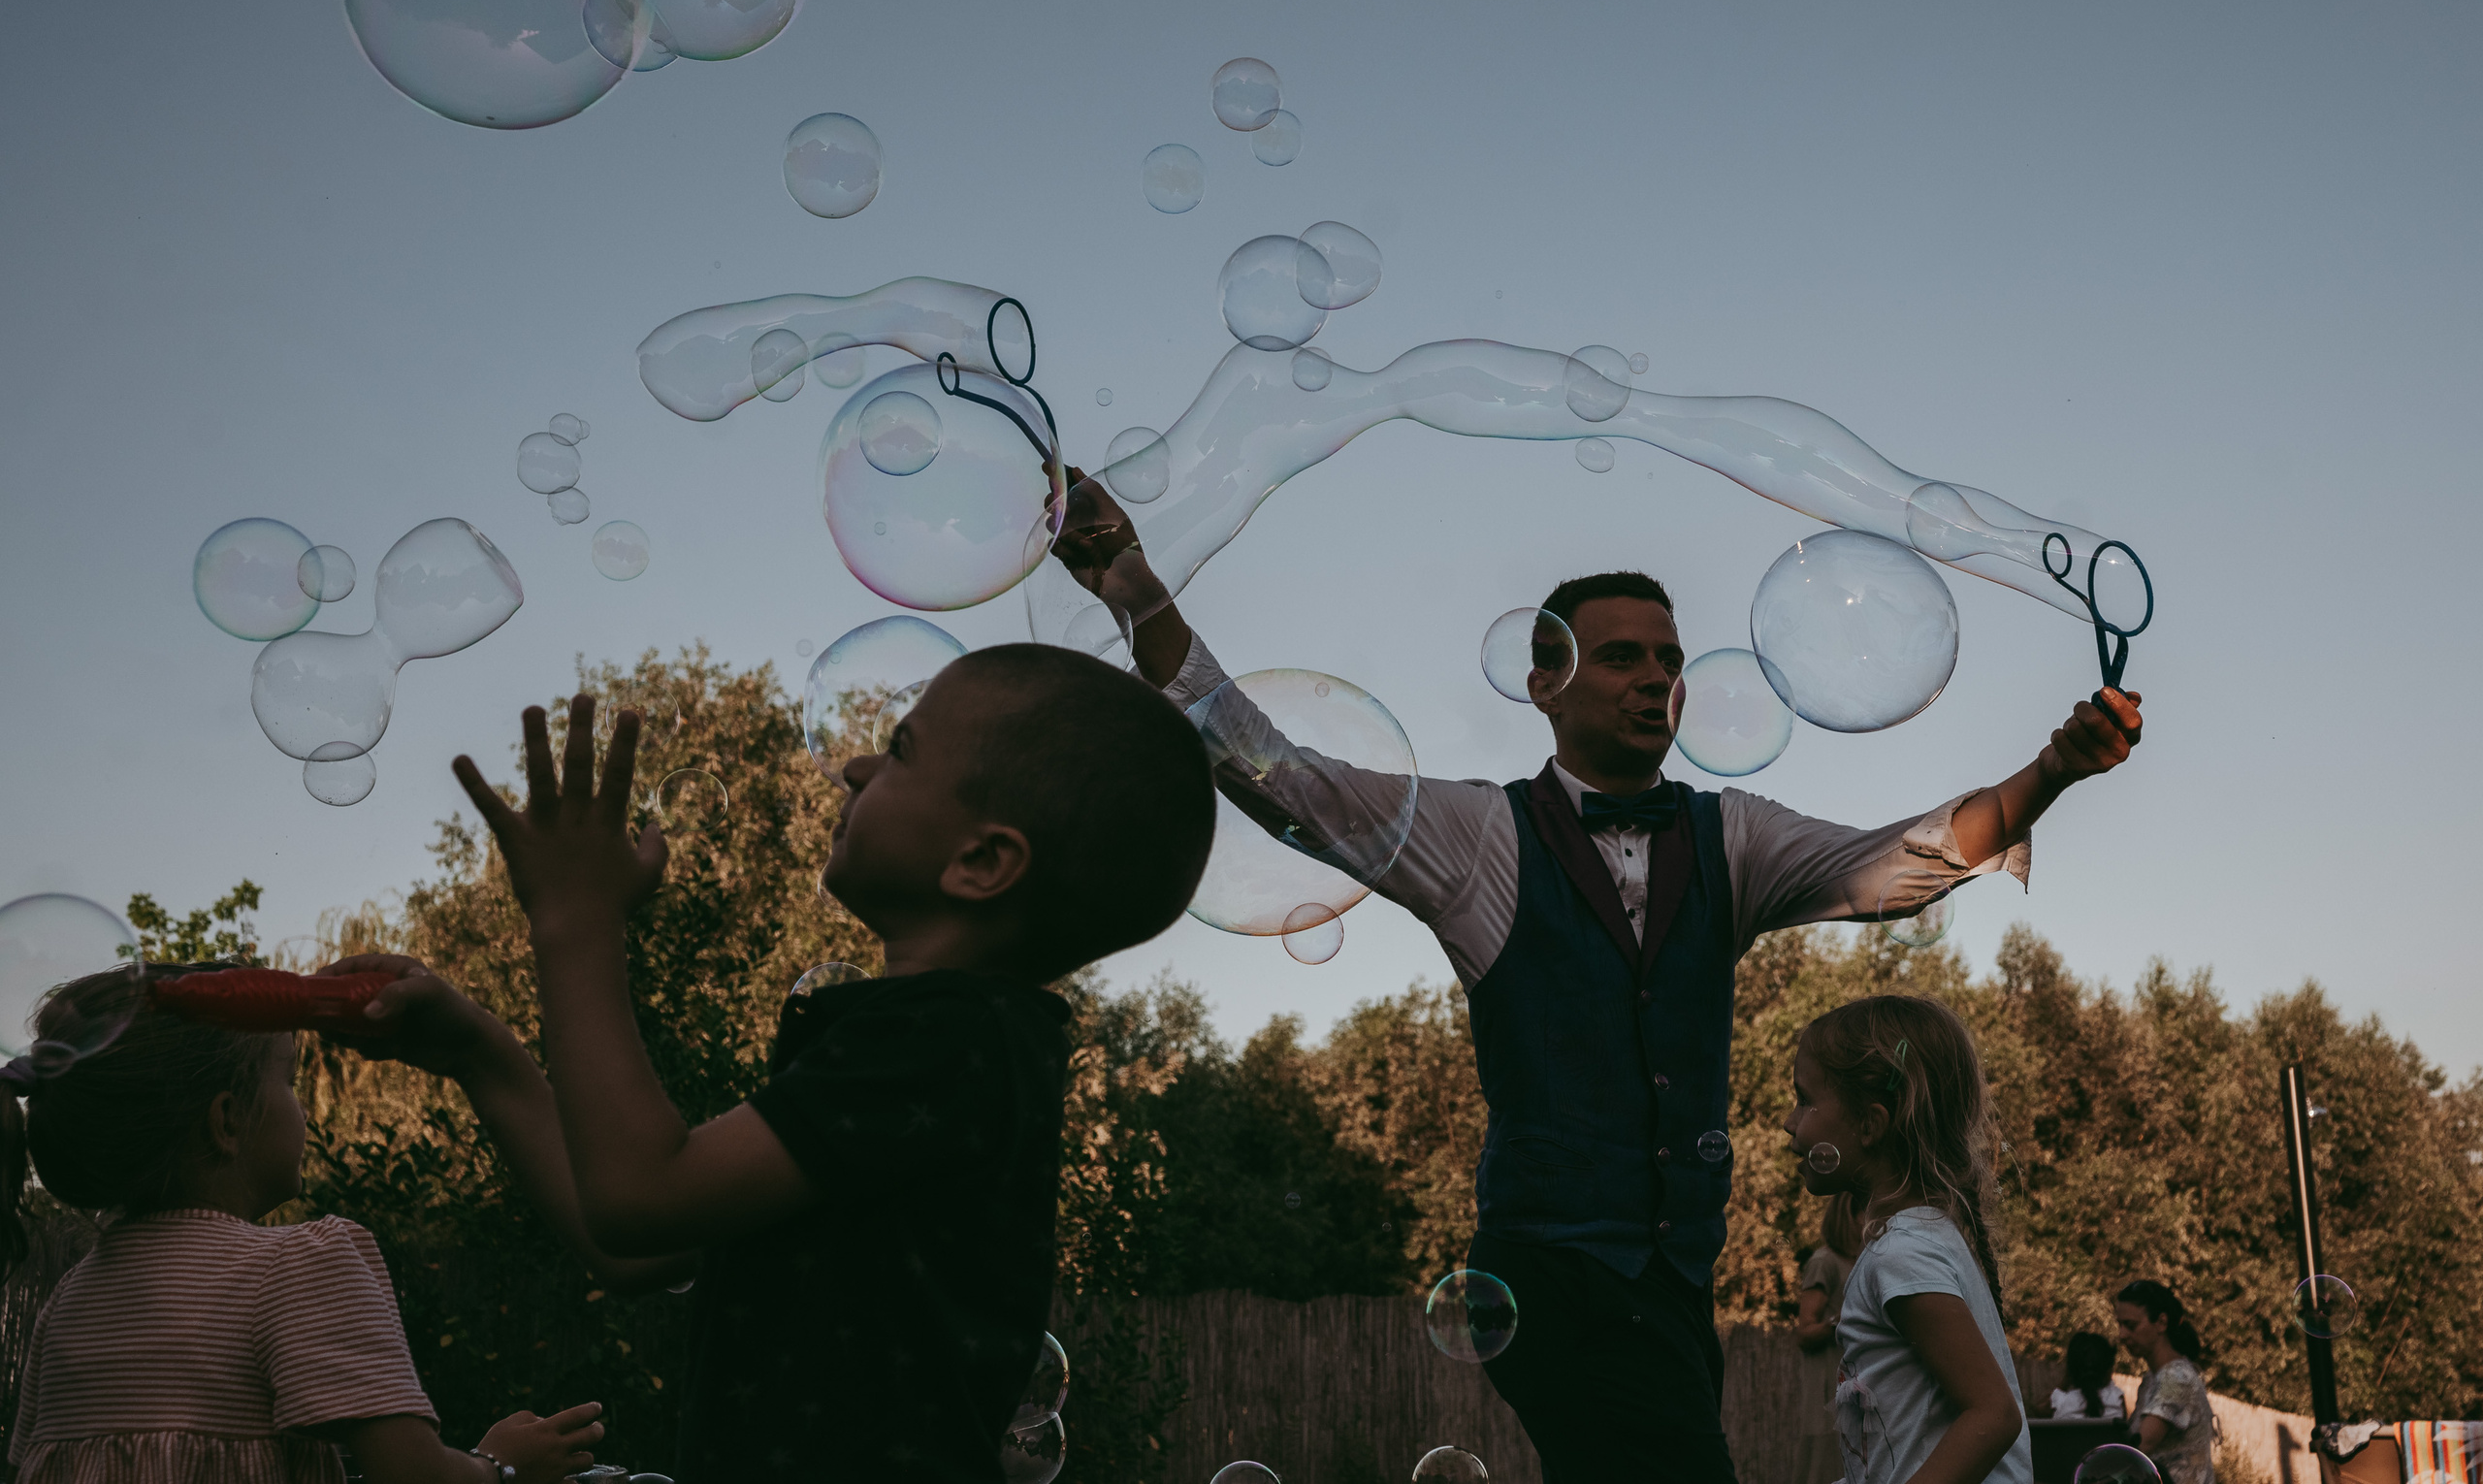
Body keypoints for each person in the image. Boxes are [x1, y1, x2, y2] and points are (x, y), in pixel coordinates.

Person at [1053, 488, 2145, 1484]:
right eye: (1620, 656)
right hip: (1552, 1270)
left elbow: (1898, 862)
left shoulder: (1733, 836)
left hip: (1673, 1278)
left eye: (1667, 660)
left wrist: (2053, 767)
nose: (1655, 679)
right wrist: (1135, 588)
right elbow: (1273, 770)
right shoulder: (1478, 834)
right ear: (1545, 682)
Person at [444, 648, 1216, 1483]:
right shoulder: (951, 1047)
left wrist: (576, 913)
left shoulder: (949, 1041)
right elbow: (641, 1248)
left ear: (982, 863)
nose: (856, 764)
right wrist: (478, 1054)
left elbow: (640, 1197)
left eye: (901, 748)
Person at [0, 957, 654, 1484]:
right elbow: (413, 1476)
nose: (304, 1108)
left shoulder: (69, 1300)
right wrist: (498, 1464)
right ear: (227, 1121)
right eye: (290, 1081)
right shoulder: (298, 1264)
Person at [1784, 993, 2028, 1484]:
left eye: (1805, 1099)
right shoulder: (1919, 1239)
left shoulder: (1901, 1254)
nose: (1789, 1121)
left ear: (1871, 1124)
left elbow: (1993, 1414)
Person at [2115, 1279, 2216, 1484]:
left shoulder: (2177, 1380)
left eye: (2131, 1325)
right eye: (2120, 1324)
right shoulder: (2154, 1378)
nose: (2122, 1335)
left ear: (2161, 1322)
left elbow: (2139, 1448)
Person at [1794, 1194, 1863, 1484]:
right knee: (1823, 1468)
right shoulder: (1824, 1261)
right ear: (1848, 1217)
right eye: (1865, 1213)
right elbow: (1804, 1331)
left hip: (1856, 1387)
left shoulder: (1864, 1262)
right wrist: (1838, 1323)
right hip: (1826, 1387)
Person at [2048, 1331, 2128, 1421]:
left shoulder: (2061, 1402)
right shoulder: (2117, 1399)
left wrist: (2066, 1379)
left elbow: (2039, 1409)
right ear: (2108, 1368)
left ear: (2071, 1370)